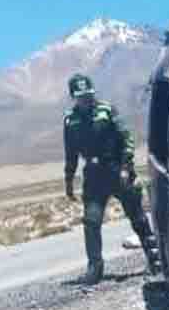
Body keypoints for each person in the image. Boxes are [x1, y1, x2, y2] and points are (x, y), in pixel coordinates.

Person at [63, 73, 158, 284]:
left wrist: (126, 166)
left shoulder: (107, 110)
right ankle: (95, 268)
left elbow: (126, 137)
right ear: (73, 97)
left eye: (88, 94)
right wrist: (68, 180)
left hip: (116, 170)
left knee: (137, 216)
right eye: (81, 96)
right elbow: (70, 153)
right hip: (94, 176)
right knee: (91, 221)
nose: (86, 99)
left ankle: (155, 259)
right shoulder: (70, 120)